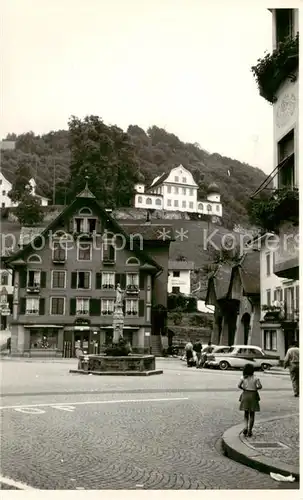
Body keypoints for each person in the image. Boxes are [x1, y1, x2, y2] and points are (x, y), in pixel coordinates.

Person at [238, 363, 262, 437]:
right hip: (253, 395)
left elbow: (239, 385)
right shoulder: (256, 378)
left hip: (245, 394)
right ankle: (250, 430)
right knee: (252, 414)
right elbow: (260, 386)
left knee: (246, 414)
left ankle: (245, 427)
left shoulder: (243, 377)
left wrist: (244, 388)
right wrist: (255, 388)